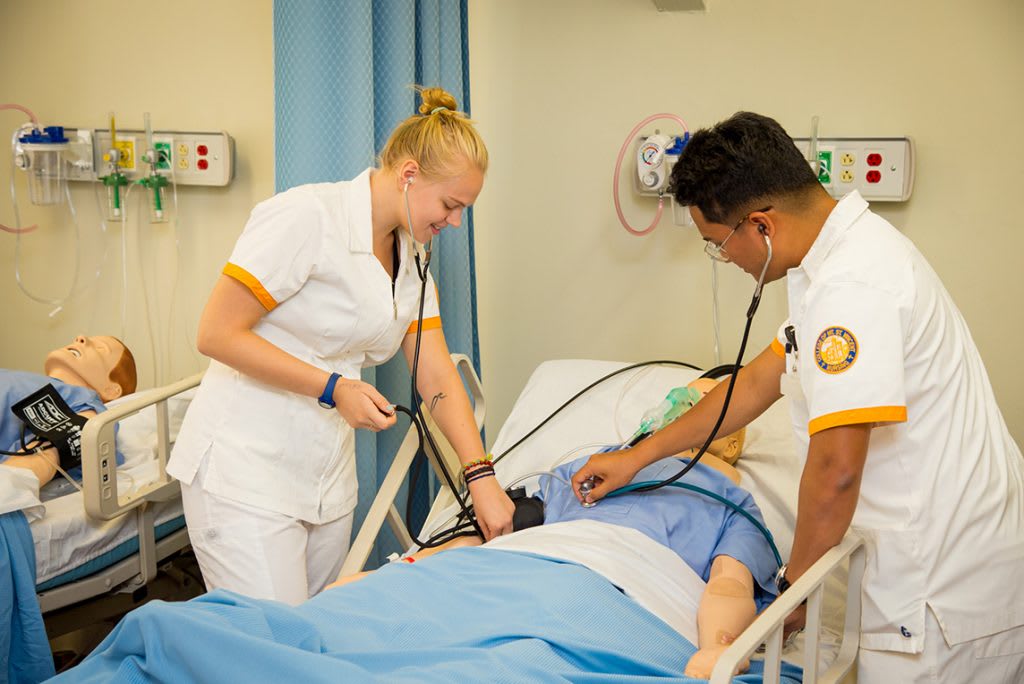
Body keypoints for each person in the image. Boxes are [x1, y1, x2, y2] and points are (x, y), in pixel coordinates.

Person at [571, 112, 1024, 681]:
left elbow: (835, 468)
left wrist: (794, 592)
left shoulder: (852, 287)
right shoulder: (831, 263)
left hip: (942, 599)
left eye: (717, 244)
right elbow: (755, 382)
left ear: (760, 225)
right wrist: (637, 455)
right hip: (936, 577)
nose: (726, 260)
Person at [168, 87, 515, 605]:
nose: (455, 222)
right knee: (272, 654)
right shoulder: (307, 217)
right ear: (409, 174)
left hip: (326, 482)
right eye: (451, 204)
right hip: (246, 473)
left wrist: (480, 476)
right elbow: (216, 333)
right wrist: (333, 388)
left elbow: (435, 372)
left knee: (316, 636)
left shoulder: (412, 258)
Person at [329, 376, 773, 678]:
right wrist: (410, 565)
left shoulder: (733, 502)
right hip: (516, 567)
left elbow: (729, 587)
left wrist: (721, 646)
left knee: (514, 659)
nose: (679, 408)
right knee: (386, 623)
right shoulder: (598, 464)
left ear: (731, 439)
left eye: (697, 404)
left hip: (611, 588)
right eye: (677, 398)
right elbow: (504, 530)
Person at [1, 334, 137, 486]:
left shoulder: (84, 403)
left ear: (111, 390)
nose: (80, 337)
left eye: (100, 349)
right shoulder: (33, 383)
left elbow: (46, 457)